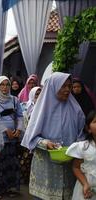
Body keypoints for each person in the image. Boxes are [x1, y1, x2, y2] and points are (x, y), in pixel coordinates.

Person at [21, 72, 86, 200]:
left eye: (69, 86)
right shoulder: (40, 109)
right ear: (53, 87)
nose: (67, 90)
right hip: (46, 164)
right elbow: (31, 137)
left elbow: (82, 134)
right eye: (63, 86)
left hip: (69, 163)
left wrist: (77, 146)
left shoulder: (76, 109)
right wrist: (45, 143)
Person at [0, 76, 24, 199]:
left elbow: (20, 116)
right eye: (2, 85)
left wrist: (19, 129)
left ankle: (9, 188)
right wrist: (5, 130)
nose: (5, 87)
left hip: (13, 138)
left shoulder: (14, 100)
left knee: (11, 163)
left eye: (7, 85)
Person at [66, 110, 96, 200]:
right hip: (87, 189)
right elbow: (76, 167)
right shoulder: (83, 147)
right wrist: (85, 184)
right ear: (89, 129)